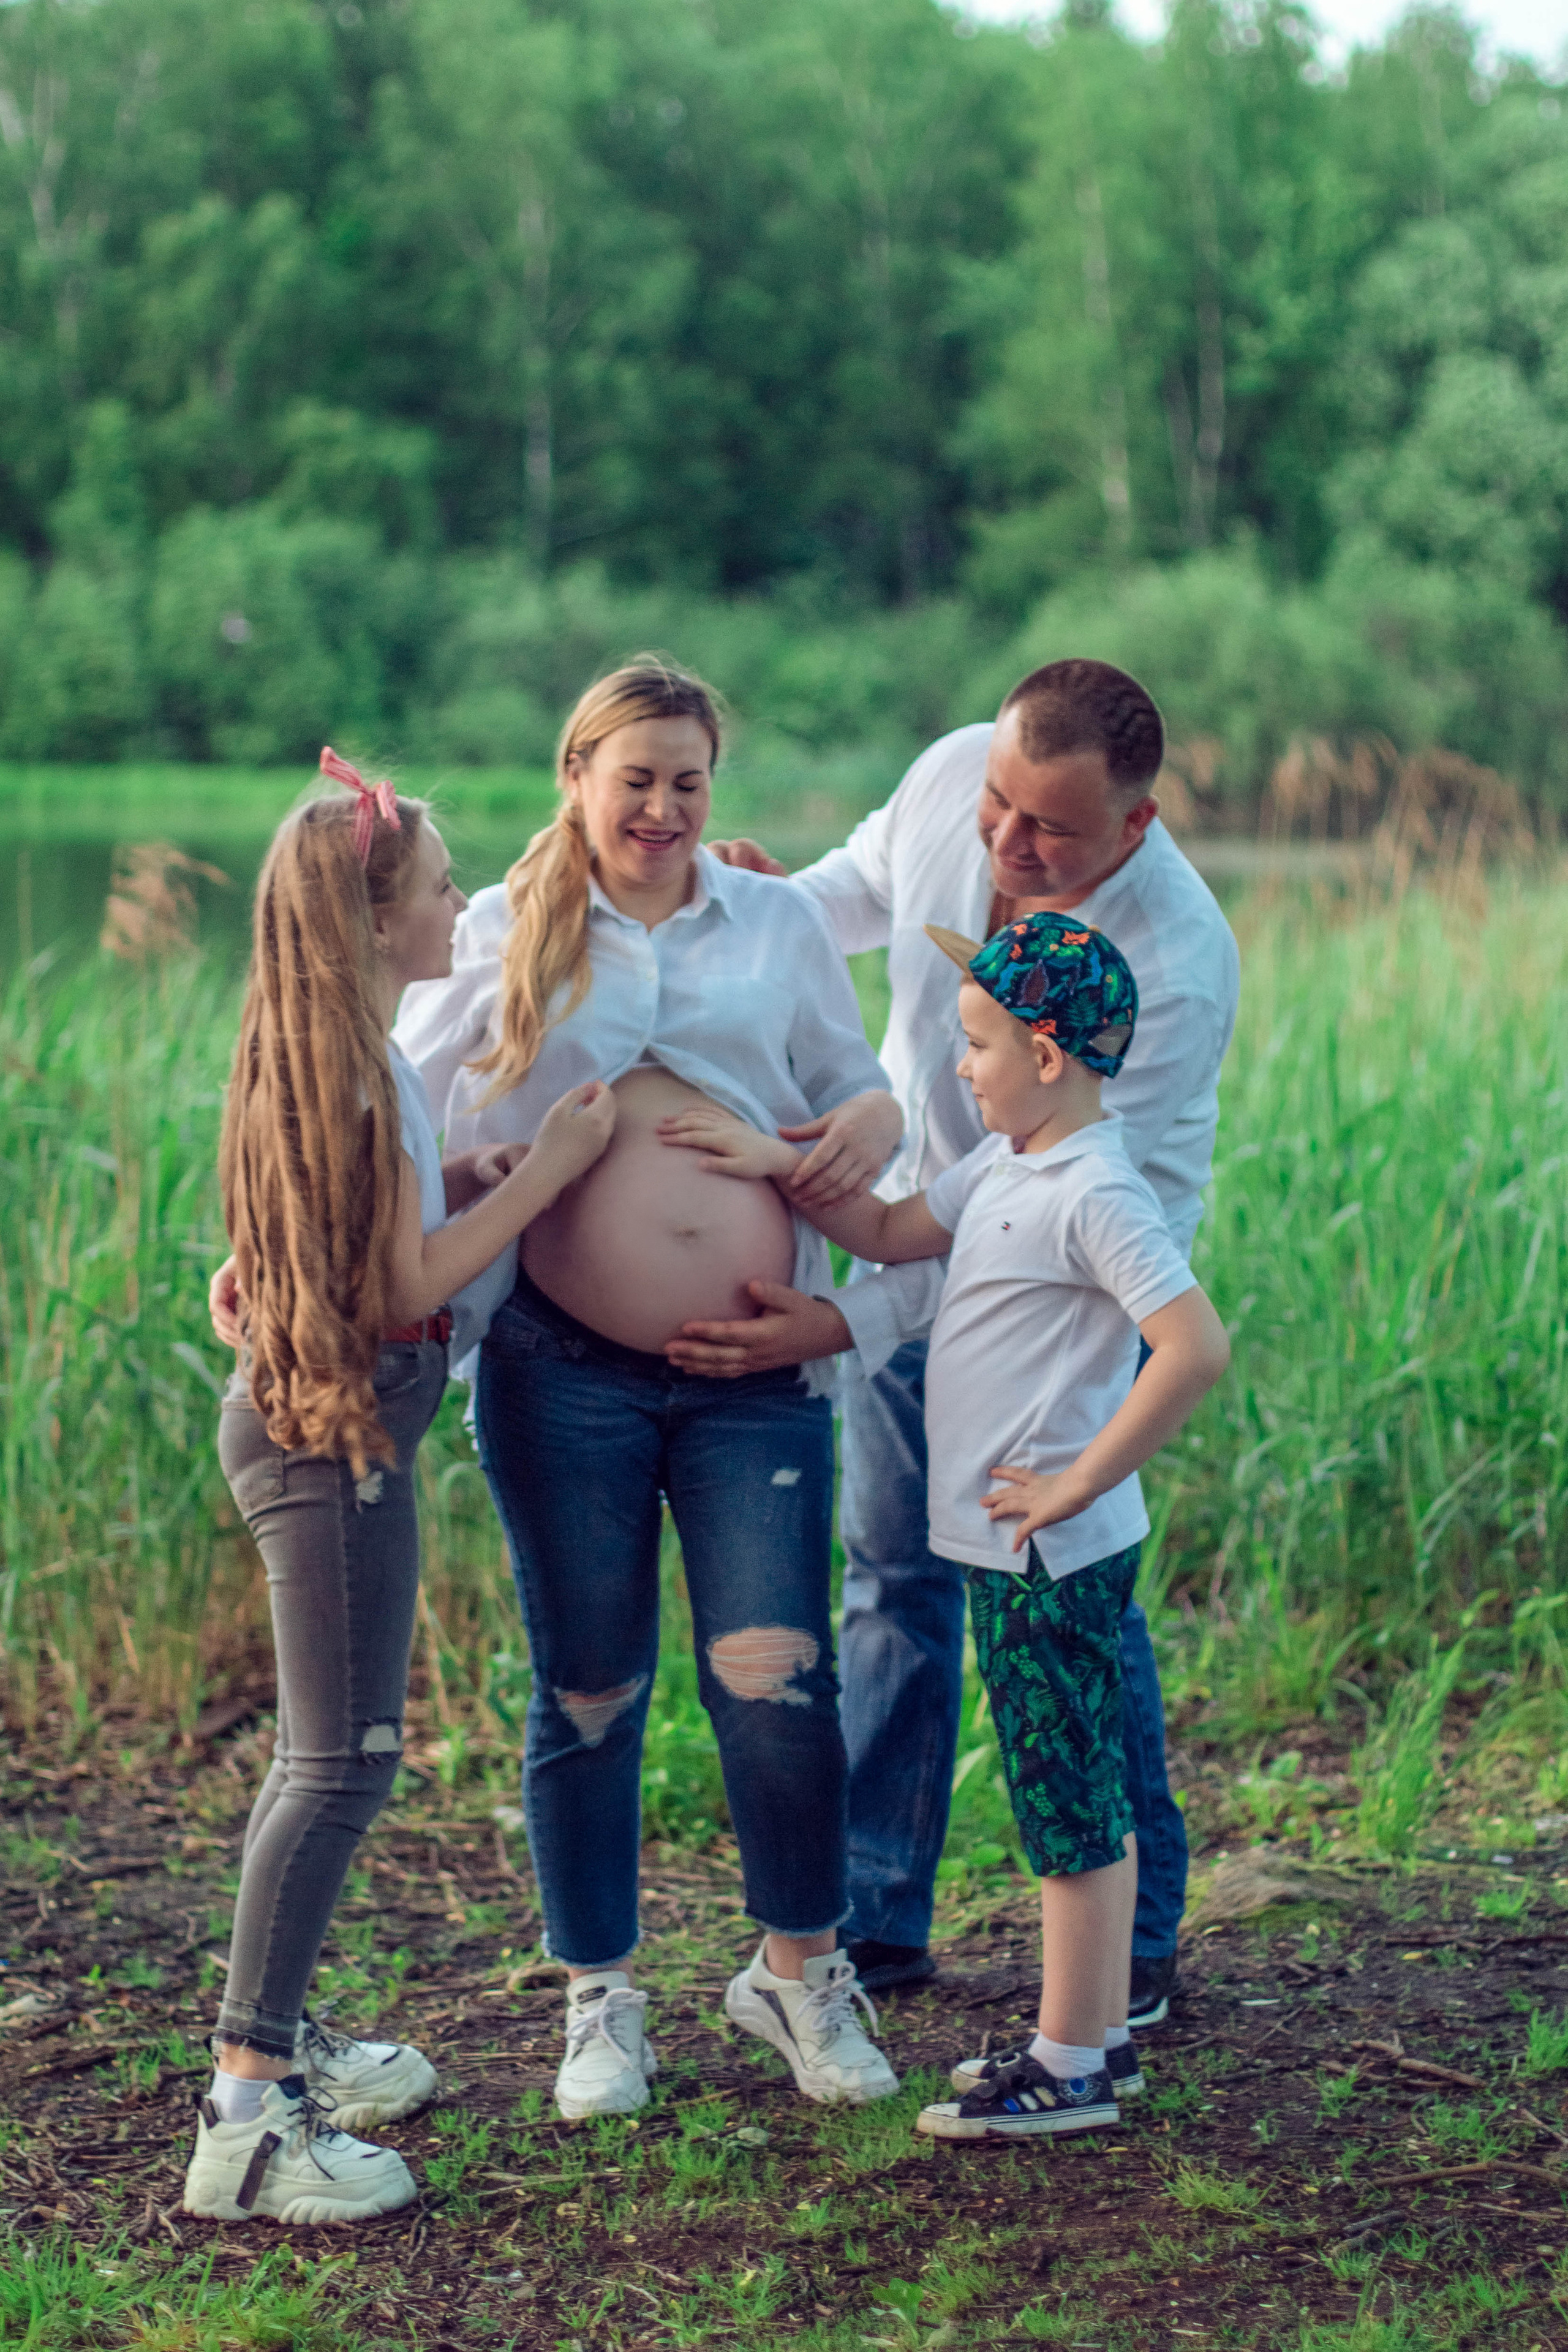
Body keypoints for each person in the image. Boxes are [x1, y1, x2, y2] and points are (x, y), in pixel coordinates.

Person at [683, 659, 1240, 2019]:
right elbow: (845, 898)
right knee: (892, 1576)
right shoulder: (951, 776)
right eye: (1000, 801)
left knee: (1068, 1601)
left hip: (1067, 1308)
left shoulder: (1171, 968)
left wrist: (848, 1315)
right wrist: (751, 903)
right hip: (918, 1215)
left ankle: (1133, 1948)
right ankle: (878, 1917)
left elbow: (1042, 1220)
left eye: (1050, 828)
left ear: (1136, 824)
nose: (1008, 841)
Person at [392, 657, 905, 2120]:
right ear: (576, 780)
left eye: (688, 781)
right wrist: (291, 1240)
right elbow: (395, 1118)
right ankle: (599, 1998)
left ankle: (797, 1973)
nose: (664, 808)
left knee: (775, 1681)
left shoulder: (777, 924)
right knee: (588, 1687)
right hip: (560, 1371)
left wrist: (861, 1127)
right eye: (636, 780)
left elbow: (856, 1092)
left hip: (754, 1374)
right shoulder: (500, 928)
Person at [187, 755, 616, 2225]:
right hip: (332, 1440)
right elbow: (405, 1284)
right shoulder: (357, 1073)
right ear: (376, 921)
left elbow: (359, 1223)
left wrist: (466, 1167)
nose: (458, 900)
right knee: (341, 1765)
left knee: (321, 1758)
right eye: (438, 884)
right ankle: (247, 2120)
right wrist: (547, 1169)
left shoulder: (338, 1055)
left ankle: (279, 2037)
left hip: (325, 1423)